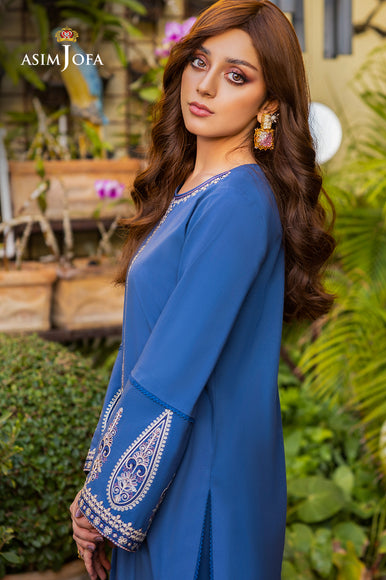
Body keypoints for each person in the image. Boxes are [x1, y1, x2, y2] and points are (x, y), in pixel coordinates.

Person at [70, 1, 335, 578]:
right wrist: (101, 480)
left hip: (200, 486)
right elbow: (143, 349)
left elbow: (171, 369)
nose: (207, 85)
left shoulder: (237, 202)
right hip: (171, 474)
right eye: (199, 61)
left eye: (236, 75)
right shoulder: (194, 189)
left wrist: (110, 497)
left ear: (269, 104)